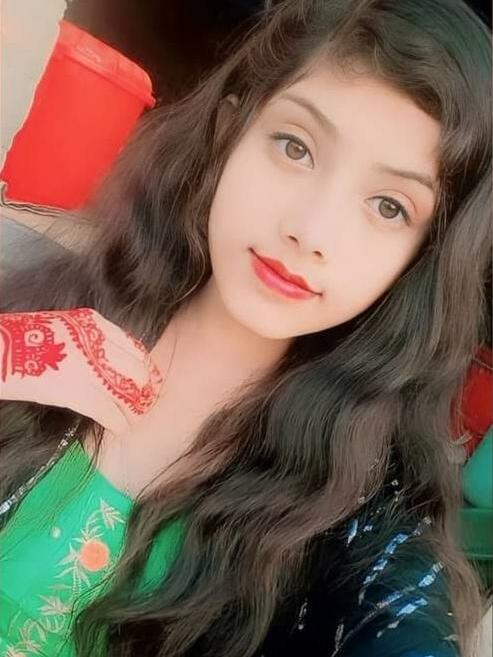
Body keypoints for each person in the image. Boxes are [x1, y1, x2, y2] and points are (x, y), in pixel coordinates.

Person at [0, 0, 491, 655]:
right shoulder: (47, 314)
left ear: (421, 258)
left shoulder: (342, 521)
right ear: (231, 127)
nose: (310, 231)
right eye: (295, 147)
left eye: (387, 206)